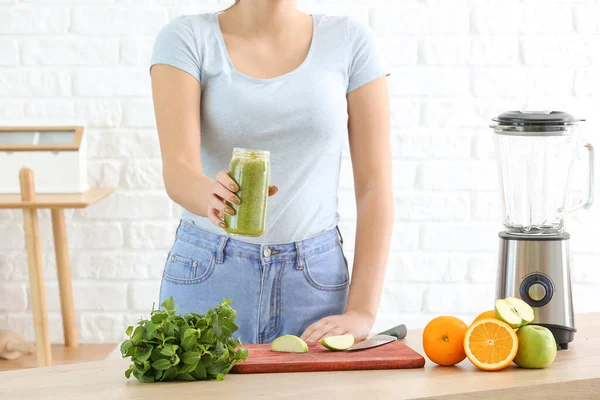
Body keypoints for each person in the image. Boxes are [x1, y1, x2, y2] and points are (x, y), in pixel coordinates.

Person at [149, 0, 393, 345]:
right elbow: (178, 170)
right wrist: (214, 198)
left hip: (314, 280)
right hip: (208, 271)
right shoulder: (186, 38)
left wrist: (362, 311)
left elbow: (374, 188)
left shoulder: (350, 40)